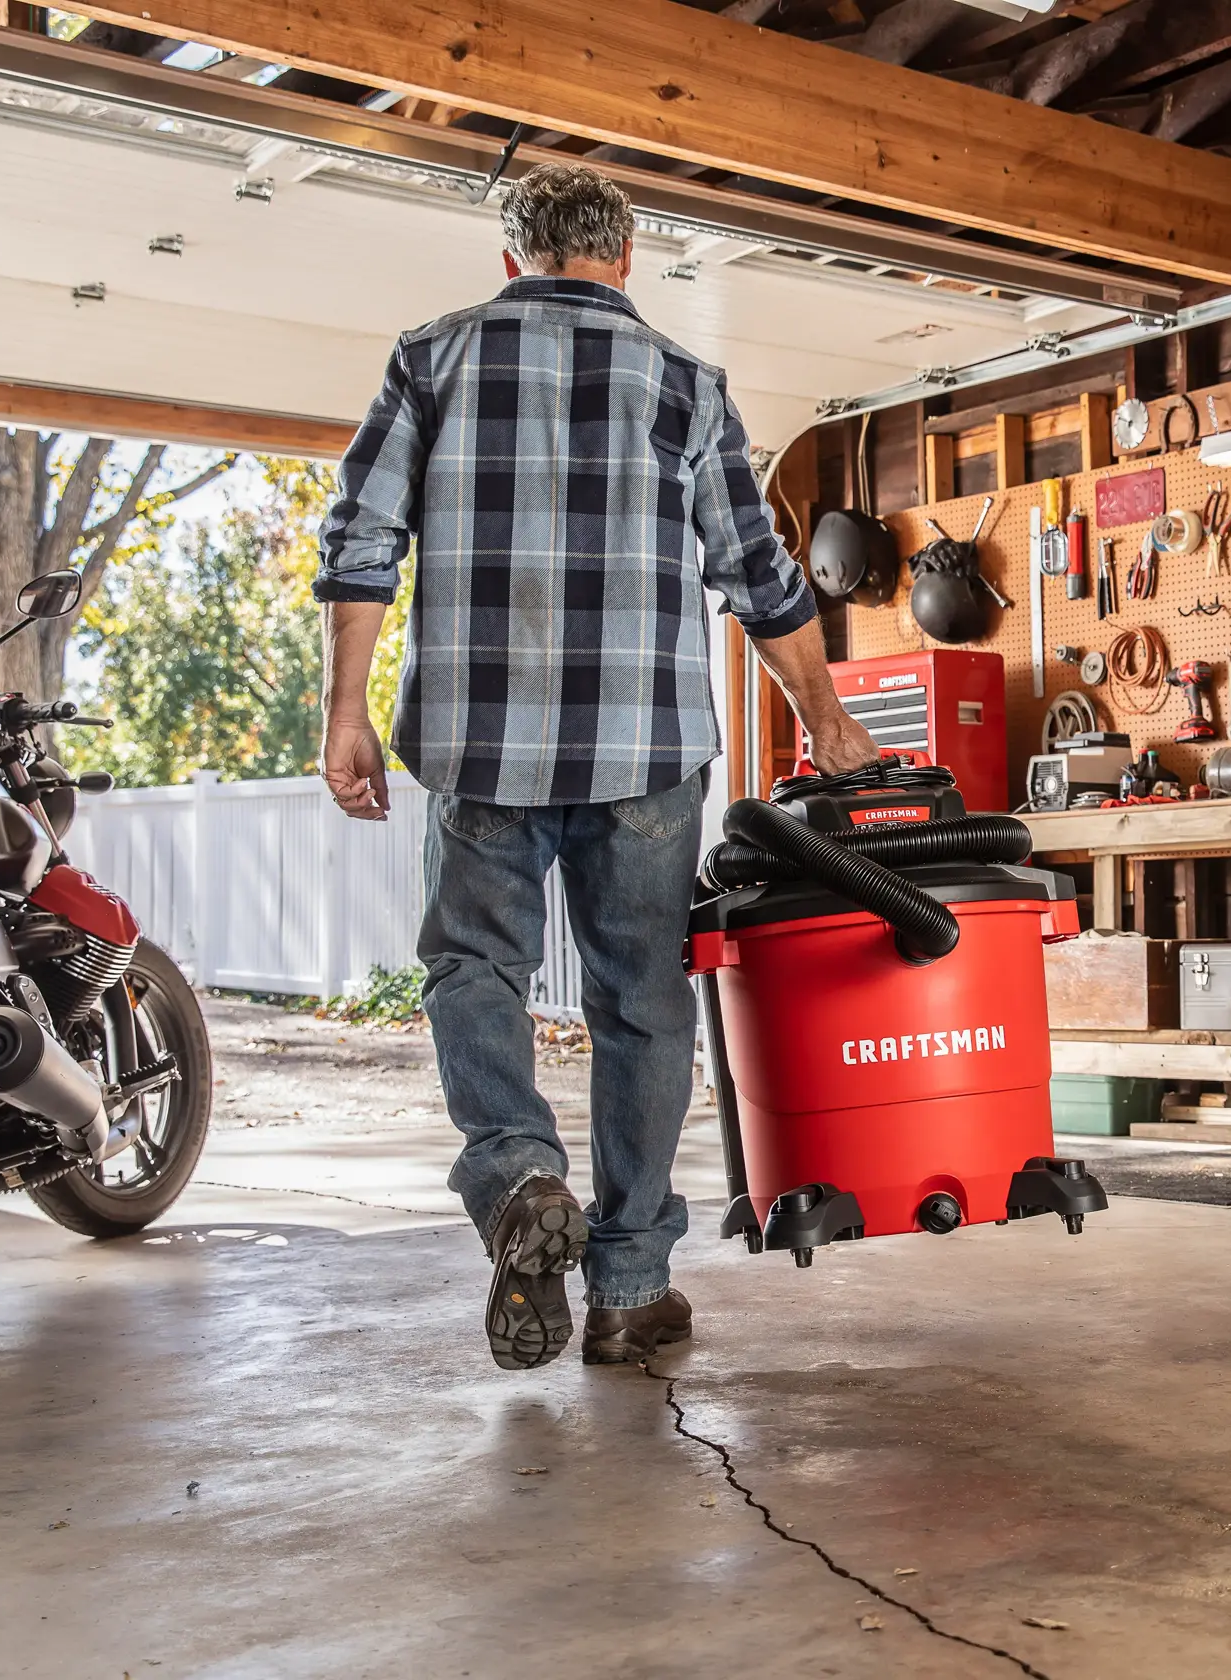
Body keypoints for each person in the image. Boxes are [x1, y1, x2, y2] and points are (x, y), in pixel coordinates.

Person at [314, 163, 879, 1372]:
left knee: (475, 970)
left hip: (479, 741)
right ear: (626, 258)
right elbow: (759, 577)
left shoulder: (433, 358)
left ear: (513, 260)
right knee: (640, 1002)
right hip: (644, 750)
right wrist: (826, 721)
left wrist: (343, 712)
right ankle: (629, 1288)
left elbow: (360, 541)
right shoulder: (687, 383)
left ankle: (519, 1173)